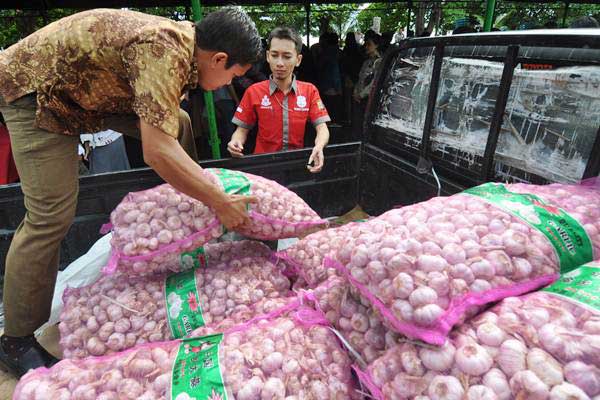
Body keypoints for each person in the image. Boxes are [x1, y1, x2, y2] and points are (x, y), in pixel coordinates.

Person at [0, 7, 262, 376]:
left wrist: (205, 192)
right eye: (232, 75)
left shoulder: (187, 47)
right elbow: (156, 150)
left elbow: (166, 128)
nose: (226, 85)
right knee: (50, 215)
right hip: (37, 94)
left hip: (90, 96)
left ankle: (185, 211)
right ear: (218, 58)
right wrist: (219, 199)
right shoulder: (164, 49)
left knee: (181, 122)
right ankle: (16, 339)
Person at [228, 27, 331, 173]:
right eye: (275, 55)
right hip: (263, 167)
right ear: (268, 56)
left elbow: (322, 129)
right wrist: (235, 142)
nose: (280, 63)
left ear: (298, 60)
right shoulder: (254, 91)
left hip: (297, 165)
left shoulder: (309, 91)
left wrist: (319, 146)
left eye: (287, 56)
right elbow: (241, 131)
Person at [352, 35, 382, 139]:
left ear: (376, 45)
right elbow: (360, 79)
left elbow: (374, 83)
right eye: (366, 44)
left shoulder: (379, 63)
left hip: (368, 99)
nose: (366, 47)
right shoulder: (367, 62)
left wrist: (361, 94)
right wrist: (356, 92)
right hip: (359, 98)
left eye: (369, 44)